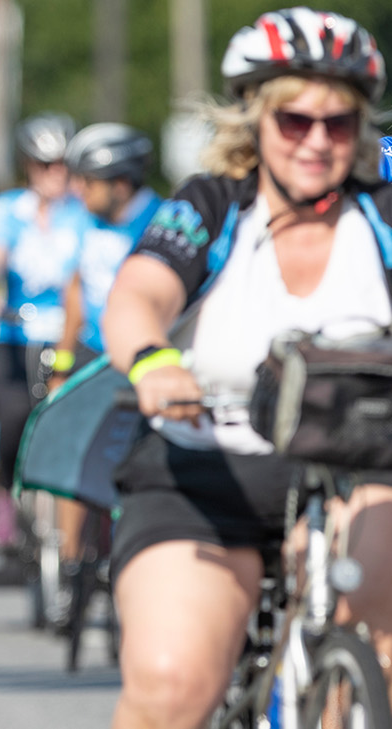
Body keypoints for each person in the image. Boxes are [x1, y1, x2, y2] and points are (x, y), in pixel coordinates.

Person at [102, 8, 392, 728]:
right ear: (256, 120)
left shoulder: (380, 215)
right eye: (295, 120)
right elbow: (139, 293)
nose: (317, 141)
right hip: (208, 471)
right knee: (171, 685)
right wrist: (155, 361)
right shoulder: (214, 205)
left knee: (382, 637)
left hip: (356, 472)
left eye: (339, 123)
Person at [0, 111, 90, 559]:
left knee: (74, 423)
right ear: (28, 166)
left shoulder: (86, 211)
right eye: (44, 165)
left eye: (63, 165)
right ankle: (2, 495)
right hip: (14, 336)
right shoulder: (7, 210)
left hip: (71, 338)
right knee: (13, 416)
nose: (55, 174)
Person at [47, 122, 161, 599]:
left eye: (87, 182)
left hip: (148, 353)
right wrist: (63, 361)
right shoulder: (86, 222)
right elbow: (76, 291)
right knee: (72, 448)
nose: (77, 190)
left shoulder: (163, 221)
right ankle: (71, 564)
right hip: (93, 350)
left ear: (119, 183)